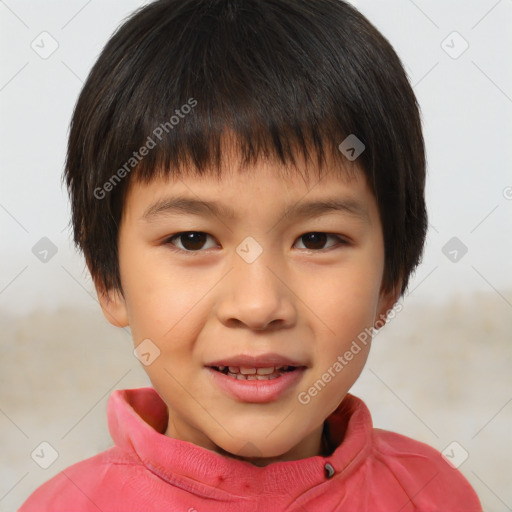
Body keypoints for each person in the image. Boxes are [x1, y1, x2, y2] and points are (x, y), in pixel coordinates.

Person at [19, 0, 482, 510]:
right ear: (108, 279)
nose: (259, 306)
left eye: (316, 240)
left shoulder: (434, 495)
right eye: (193, 240)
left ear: (389, 282)